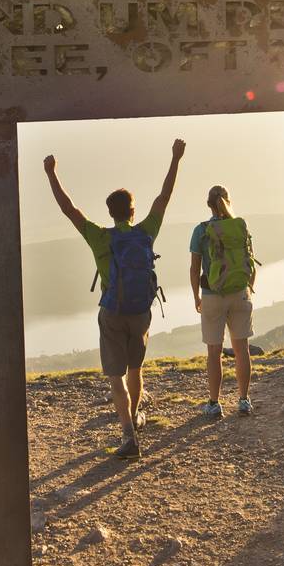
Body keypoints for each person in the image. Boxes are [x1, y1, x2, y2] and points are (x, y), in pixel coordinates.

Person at [43, 138, 185, 460]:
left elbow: (69, 210)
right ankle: (135, 418)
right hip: (141, 312)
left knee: (116, 376)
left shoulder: (100, 237)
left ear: (110, 212)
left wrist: (51, 173)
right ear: (133, 212)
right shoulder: (146, 231)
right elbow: (164, 197)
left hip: (111, 313)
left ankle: (128, 434)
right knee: (135, 370)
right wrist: (175, 158)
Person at [189, 185, 257, 418]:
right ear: (228, 200)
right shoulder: (240, 226)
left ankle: (214, 403)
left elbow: (194, 267)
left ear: (208, 204)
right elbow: (249, 258)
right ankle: (244, 400)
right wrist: (249, 286)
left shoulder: (201, 231)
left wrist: (196, 295)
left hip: (212, 295)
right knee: (242, 349)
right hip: (240, 292)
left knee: (214, 352)